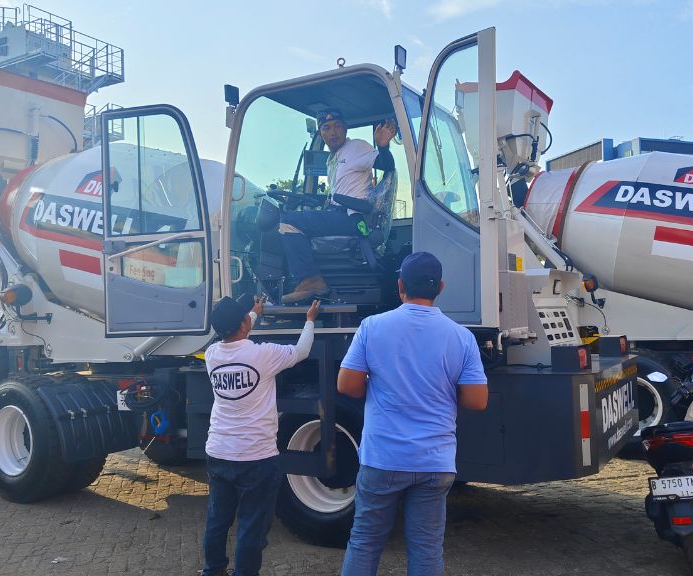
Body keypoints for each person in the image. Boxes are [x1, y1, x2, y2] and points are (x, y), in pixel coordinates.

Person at [337, 252, 489, 576]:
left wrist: (381, 387)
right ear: (441, 287)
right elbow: (477, 400)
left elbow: (347, 385)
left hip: (383, 458)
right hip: (435, 461)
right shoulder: (461, 337)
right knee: (426, 548)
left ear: (400, 285)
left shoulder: (372, 327)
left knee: (365, 541)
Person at [201, 294, 321, 576]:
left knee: (217, 520)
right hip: (256, 457)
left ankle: (212, 570)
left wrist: (253, 313)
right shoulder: (263, 354)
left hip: (218, 451)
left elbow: (235, 330)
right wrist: (310, 322)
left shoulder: (211, 355)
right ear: (243, 324)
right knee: (251, 526)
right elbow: (302, 351)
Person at [279, 109, 397, 304]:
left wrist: (383, 147)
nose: (333, 132)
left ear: (345, 129)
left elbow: (386, 165)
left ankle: (310, 280)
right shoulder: (332, 159)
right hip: (339, 213)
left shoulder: (356, 147)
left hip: (353, 218)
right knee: (300, 221)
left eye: (337, 127)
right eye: (327, 128)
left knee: (288, 221)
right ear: (321, 133)